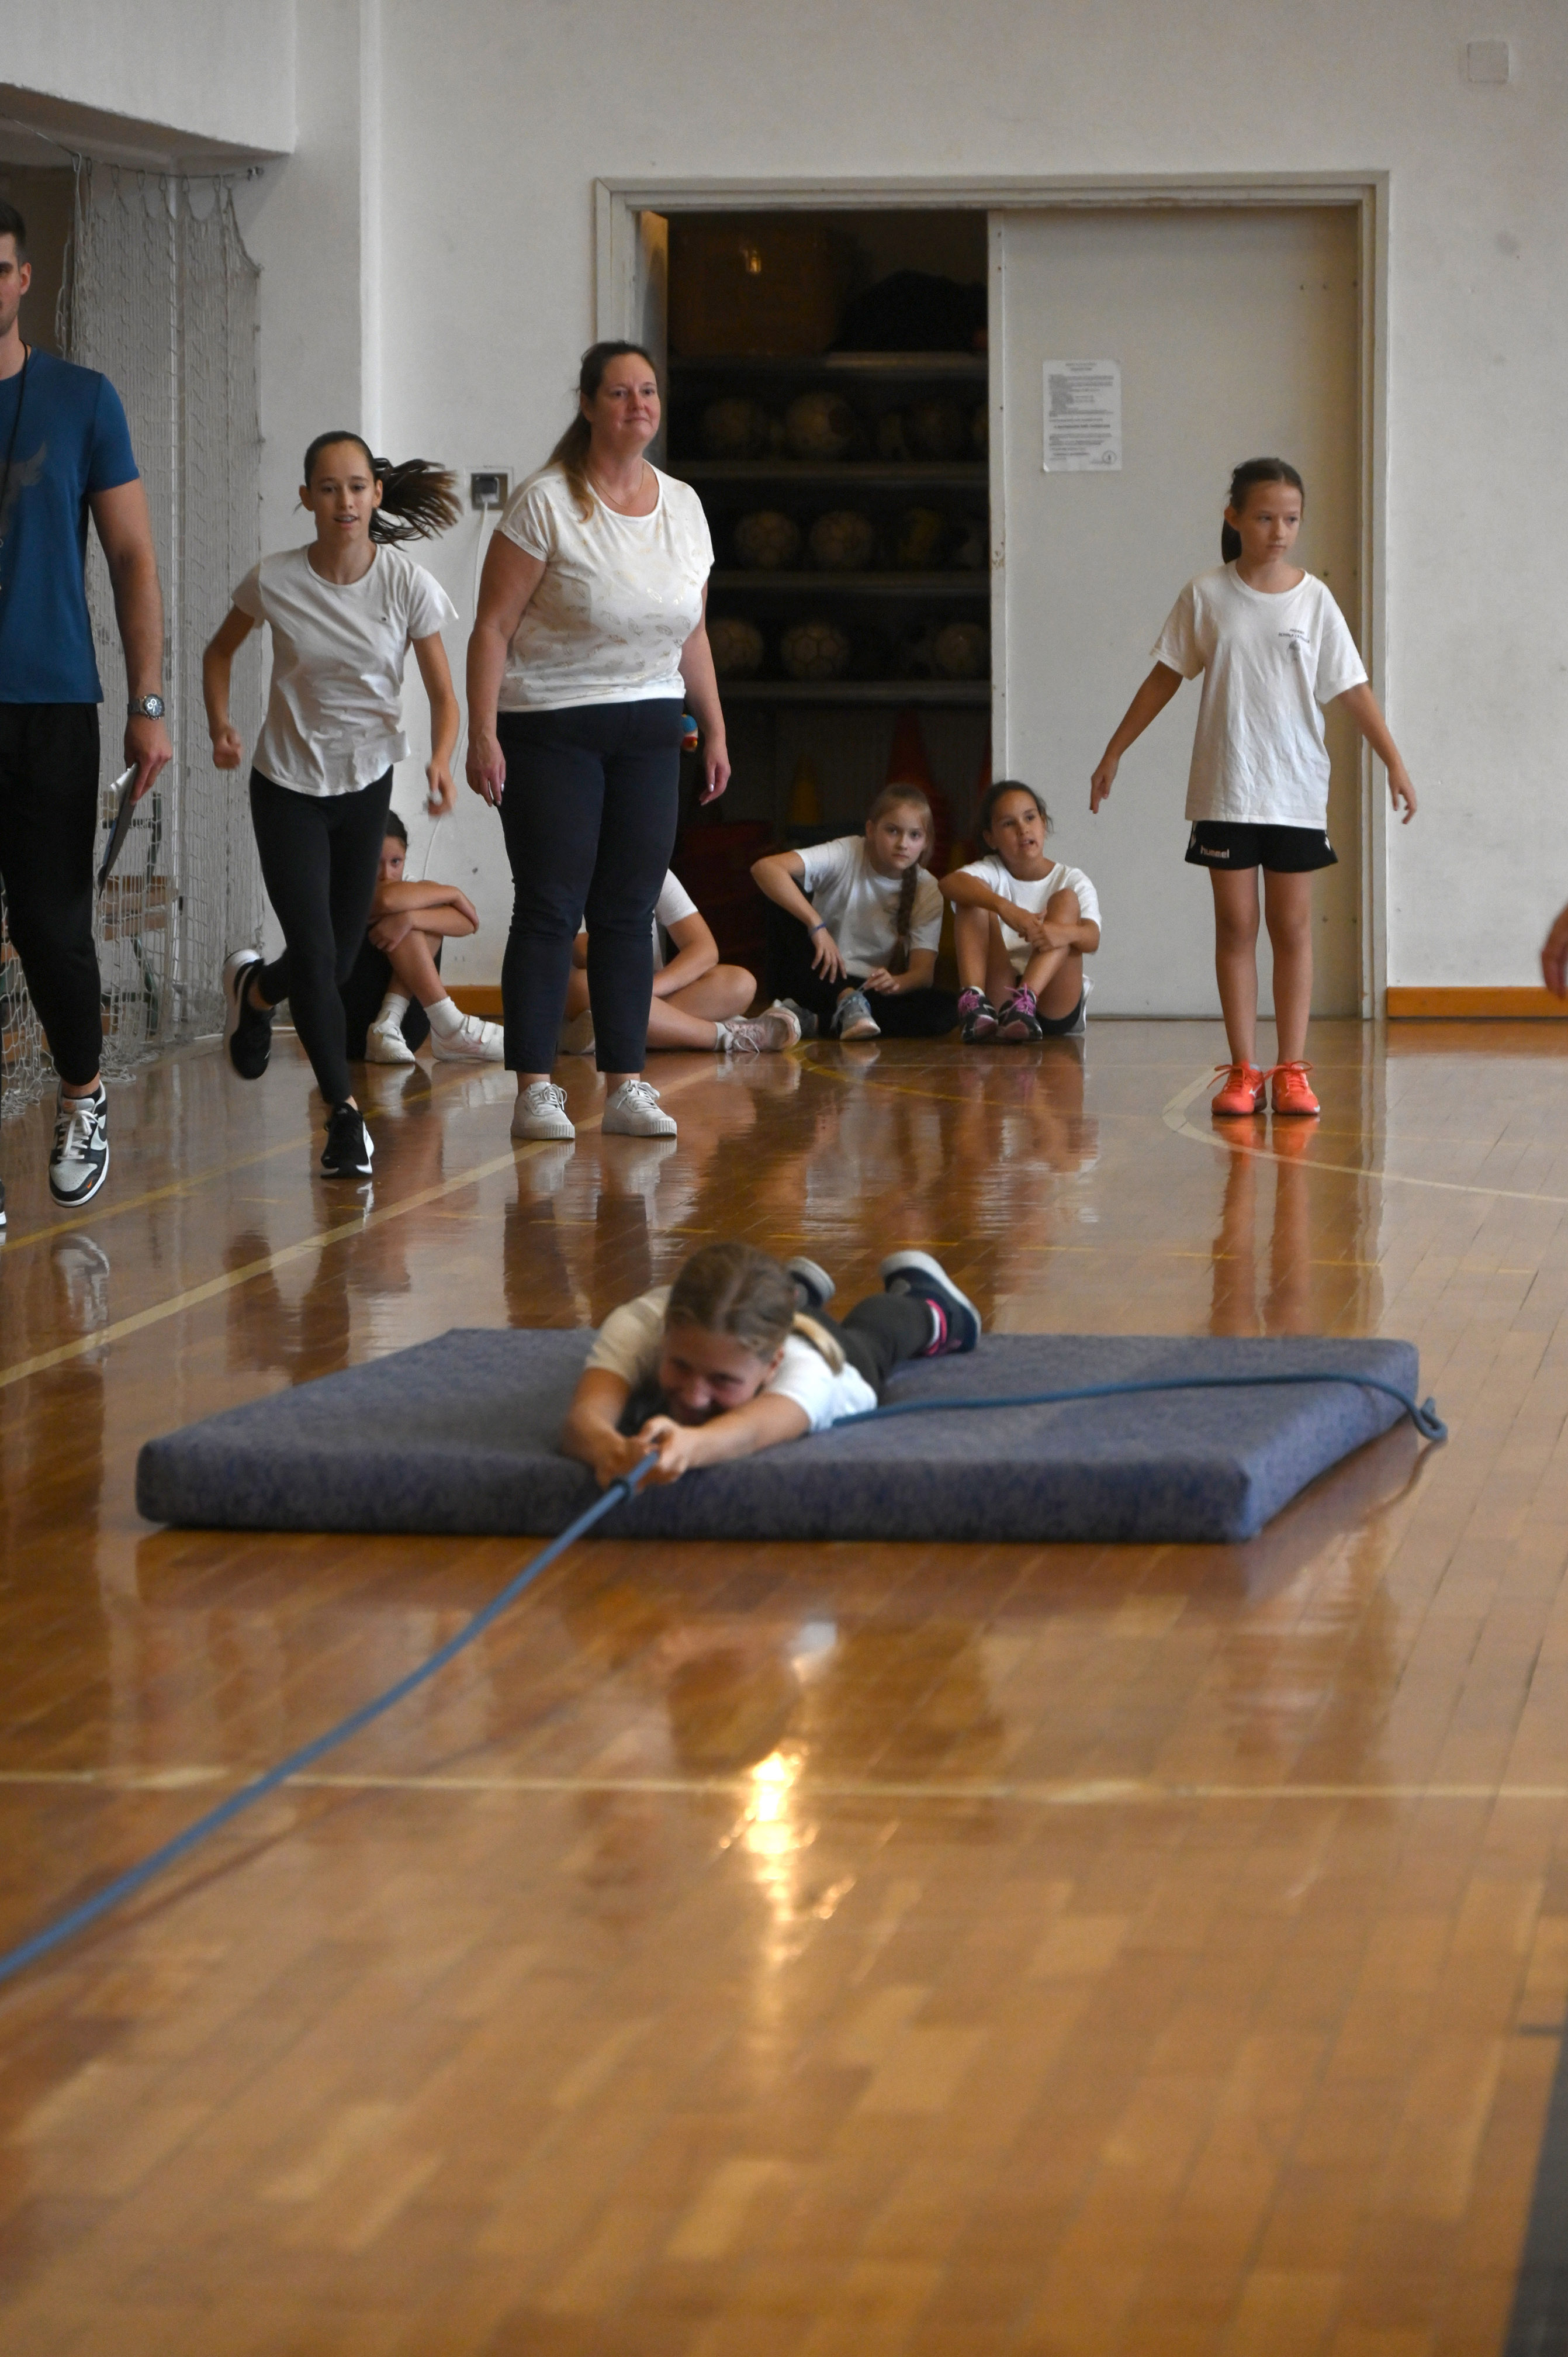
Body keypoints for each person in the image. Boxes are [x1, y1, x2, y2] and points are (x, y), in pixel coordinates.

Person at [1090, 457, 1417, 1120]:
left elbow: (1352, 689)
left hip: (1294, 790)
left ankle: (1291, 1070)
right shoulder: (1205, 595)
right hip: (1226, 788)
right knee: (1236, 927)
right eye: (1265, 517)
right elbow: (1165, 676)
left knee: (1289, 928)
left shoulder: (1314, 600)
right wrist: (1115, 749)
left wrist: (1394, 762)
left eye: (1291, 519)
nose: (1278, 531)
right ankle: (1244, 1070)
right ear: (1233, 517)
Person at [466, 340, 729, 1147]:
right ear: (586, 405)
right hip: (550, 728)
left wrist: (714, 726)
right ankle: (536, 1088)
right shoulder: (546, 503)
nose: (636, 405)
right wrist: (481, 733)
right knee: (551, 907)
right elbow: (492, 627)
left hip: (650, 728)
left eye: (647, 391)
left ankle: (625, 1086)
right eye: (618, 393)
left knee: (627, 912)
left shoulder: (684, 505)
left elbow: (692, 632)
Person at [203, 431, 461, 1178]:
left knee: (339, 960)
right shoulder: (275, 579)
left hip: (364, 788)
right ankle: (345, 1118)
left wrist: (441, 760)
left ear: (375, 494)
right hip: (286, 787)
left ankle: (256, 991)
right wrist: (221, 723)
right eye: (328, 488)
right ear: (306, 498)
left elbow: (443, 696)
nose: (344, 501)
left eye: (356, 486)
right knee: (317, 956)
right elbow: (219, 652)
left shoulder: (406, 584)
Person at [0, 198, 173, 1226]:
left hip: (51, 702)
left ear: (24, 279)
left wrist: (148, 700)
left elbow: (132, 555)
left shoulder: (81, 398)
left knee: (51, 927)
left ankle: (81, 1094)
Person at [562, 1237, 980, 1489]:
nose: (694, 1396)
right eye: (681, 1367)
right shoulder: (640, 1323)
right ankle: (793, 1292)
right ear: (665, 1332)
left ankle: (933, 1306)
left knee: (872, 1339)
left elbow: (746, 1434)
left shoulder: (810, 1371)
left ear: (772, 1364)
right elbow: (584, 1420)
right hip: (767, 1331)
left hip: (838, 1354)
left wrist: (688, 1447)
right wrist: (614, 1452)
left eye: (722, 1380)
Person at [750, 784, 956, 1041]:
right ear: (871, 830)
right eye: (892, 831)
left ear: (926, 842)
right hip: (815, 973)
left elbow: (923, 974)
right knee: (780, 896)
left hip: (866, 988)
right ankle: (844, 1002)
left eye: (915, 835)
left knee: (947, 1009)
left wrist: (896, 983)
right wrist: (817, 925)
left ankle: (816, 1022)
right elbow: (765, 868)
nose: (903, 844)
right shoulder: (847, 852)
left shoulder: (928, 888)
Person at [560, 868, 800, 1057]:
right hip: (595, 994)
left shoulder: (652, 868)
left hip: (644, 996)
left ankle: (613, 1034)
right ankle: (722, 1036)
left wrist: (652, 989)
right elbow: (588, 954)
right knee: (585, 985)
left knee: (740, 983)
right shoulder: (571, 873)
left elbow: (705, 949)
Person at [942, 780, 1101, 1043]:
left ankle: (1026, 1000)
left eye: (1029, 818)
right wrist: (1006, 909)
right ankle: (974, 1001)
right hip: (1001, 993)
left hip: (1054, 1000)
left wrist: (1061, 934)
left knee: (1067, 900)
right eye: (1009, 823)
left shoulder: (1072, 878)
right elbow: (949, 884)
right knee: (971, 894)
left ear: (1043, 824)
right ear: (990, 838)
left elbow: (1093, 938)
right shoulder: (991, 871)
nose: (1023, 829)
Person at [342, 813, 504, 1066]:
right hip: (348, 1027)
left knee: (419, 917)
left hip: (406, 1032)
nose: (387, 874)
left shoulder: (411, 889)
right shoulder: (347, 890)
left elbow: (469, 922)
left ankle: (389, 1020)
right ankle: (449, 1025)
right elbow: (386, 900)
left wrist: (411, 919)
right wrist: (453, 893)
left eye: (396, 862)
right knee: (407, 913)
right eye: (375, 862)